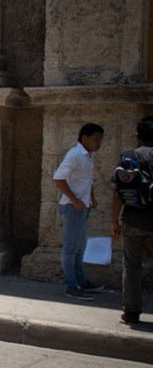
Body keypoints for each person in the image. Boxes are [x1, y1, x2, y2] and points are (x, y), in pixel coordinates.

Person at [53, 122, 105, 300]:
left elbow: (87, 180)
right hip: (73, 207)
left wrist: (91, 197)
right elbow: (58, 178)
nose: (99, 143)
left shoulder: (88, 156)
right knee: (70, 248)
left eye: (100, 139)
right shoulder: (75, 155)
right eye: (96, 139)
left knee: (80, 246)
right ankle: (72, 285)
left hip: (82, 206)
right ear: (85, 138)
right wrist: (74, 200)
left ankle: (80, 280)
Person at [111, 116, 153, 324]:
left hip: (133, 219)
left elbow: (118, 192)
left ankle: (131, 311)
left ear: (138, 135)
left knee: (132, 266)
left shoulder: (130, 157)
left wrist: (114, 221)